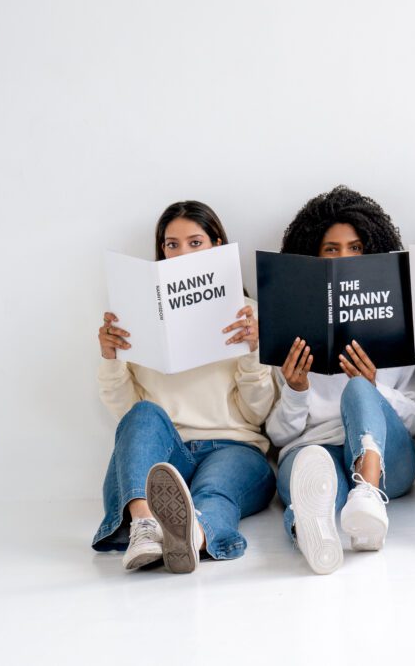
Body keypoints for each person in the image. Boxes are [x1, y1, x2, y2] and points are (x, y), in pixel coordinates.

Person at [92, 201, 277, 573]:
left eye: (195, 242)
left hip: (234, 447)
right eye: (171, 245)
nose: (181, 254)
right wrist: (111, 359)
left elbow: (257, 413)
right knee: (144, 413)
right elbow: (130, 416)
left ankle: (192, 537)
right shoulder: (137, 315)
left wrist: (252, 352)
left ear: (216, 245)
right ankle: (145, 525)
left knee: (216, 494)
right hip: (164, 455)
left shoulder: (248, 314)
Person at [266, 186, 415, 575]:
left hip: (388, 460)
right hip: (314, 449)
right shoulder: (287, 328)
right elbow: (278, 437)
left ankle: (368, 493)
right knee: (312, 473)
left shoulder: (398, 325)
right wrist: (296, 390)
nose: (344, 257)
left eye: (355, 248)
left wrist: (374, 391)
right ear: (313, 255)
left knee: (358, 388)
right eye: (331, 249)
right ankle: (311, 530)